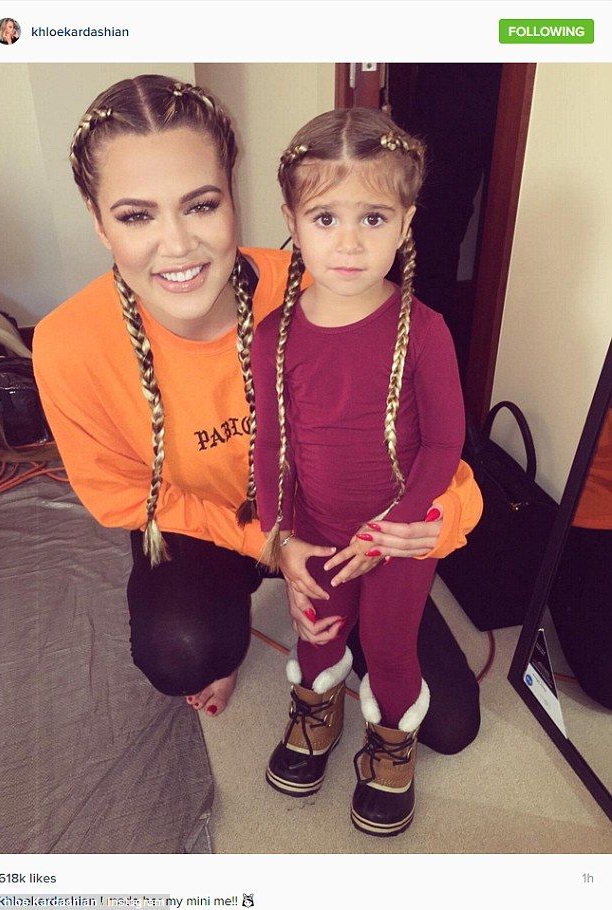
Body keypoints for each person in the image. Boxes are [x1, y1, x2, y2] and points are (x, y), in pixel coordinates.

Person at [33, 75, 480, 750]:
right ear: (99, 222)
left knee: (448, 721)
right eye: (136, 215)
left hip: (338, 525)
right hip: (210, 529)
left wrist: (433, 524)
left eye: (200, 204)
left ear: (234, 201)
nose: (177, 244)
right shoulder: (69, 343)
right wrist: (265, 543)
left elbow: (436, 449)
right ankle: (227, 627)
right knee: (183, 646)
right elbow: (118, 494)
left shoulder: (319, 284)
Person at [250, 107, 466, 837]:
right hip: (314, 532)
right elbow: (271, 451)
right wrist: (279, 539)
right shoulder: (273, 336)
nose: (348, 242)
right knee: (317, 632)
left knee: (392, 644)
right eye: (326, 217)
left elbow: (444, 443)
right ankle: (317, 708)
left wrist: (398, 526)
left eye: (373, 217)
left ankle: (392, 741)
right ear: (292, 218)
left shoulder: (425, 328)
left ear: (406, 222)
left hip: (396, 537)